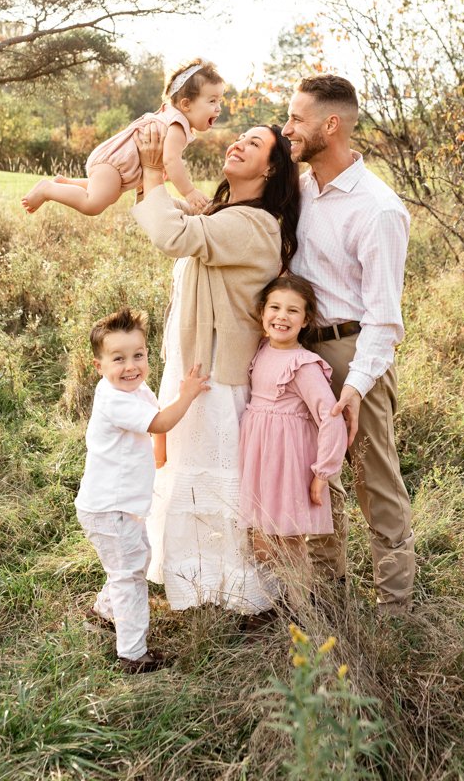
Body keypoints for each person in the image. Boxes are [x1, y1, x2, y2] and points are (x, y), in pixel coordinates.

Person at [131, 121, 300, 612]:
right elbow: (176, 219)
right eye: (239, 136)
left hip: (215, 374)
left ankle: (224, 588)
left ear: (271, 168)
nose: (238, 143)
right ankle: (190, 573)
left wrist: (151, 169)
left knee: (208, 471)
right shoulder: (227, 215)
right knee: (183, 465)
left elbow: (169, 233)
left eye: (254, 143)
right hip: (193, 362)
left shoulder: (254, 224)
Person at [282, 74, 415, 614]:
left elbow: (384, 319)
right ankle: (326, 586)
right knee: (312, 470)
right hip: (296, 351)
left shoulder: (378, 209)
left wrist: (357, 387)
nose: (286, 128)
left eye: (296, 118)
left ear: (329, 124)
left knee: (372, 473)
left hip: (351, 350)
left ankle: (395, 606)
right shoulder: (300, 187)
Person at [75, 307, 210, 672]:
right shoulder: (115, 398)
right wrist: (189, 394)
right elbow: (163, 419)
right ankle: (133, 654)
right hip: (108, 508)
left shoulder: (135, 387)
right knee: (130, 576)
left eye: (138, 355)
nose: (131, 365)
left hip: (119, 504)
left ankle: (105, 609)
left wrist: (159, 454)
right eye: (118, 359)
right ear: (98, 366)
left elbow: (154, 420)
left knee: (133, 561)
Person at [238, 274, 348, 606]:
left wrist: (322, 472)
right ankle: (274, 602)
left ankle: (302, 611)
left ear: (306, 320)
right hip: (260, 459)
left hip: (287, 464)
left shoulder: (303, 365)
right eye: (274, 307)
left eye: (292, 311)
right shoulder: (260, 350)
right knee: (260, 538)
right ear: (262, 313)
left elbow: (331, 417)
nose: (281, 317)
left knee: (289, 540)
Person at [21, 59, 224, 216]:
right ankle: (47, 189)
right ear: (186, 104)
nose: (218, 107)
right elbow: (172, 160)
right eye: (212, 100)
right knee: (93, 205)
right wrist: (188, 192)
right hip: (115, 163)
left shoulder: (170, 114)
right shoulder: (178, 126)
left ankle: (64, 184)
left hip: (115, 164)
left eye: (220, 100)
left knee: (110, 193)